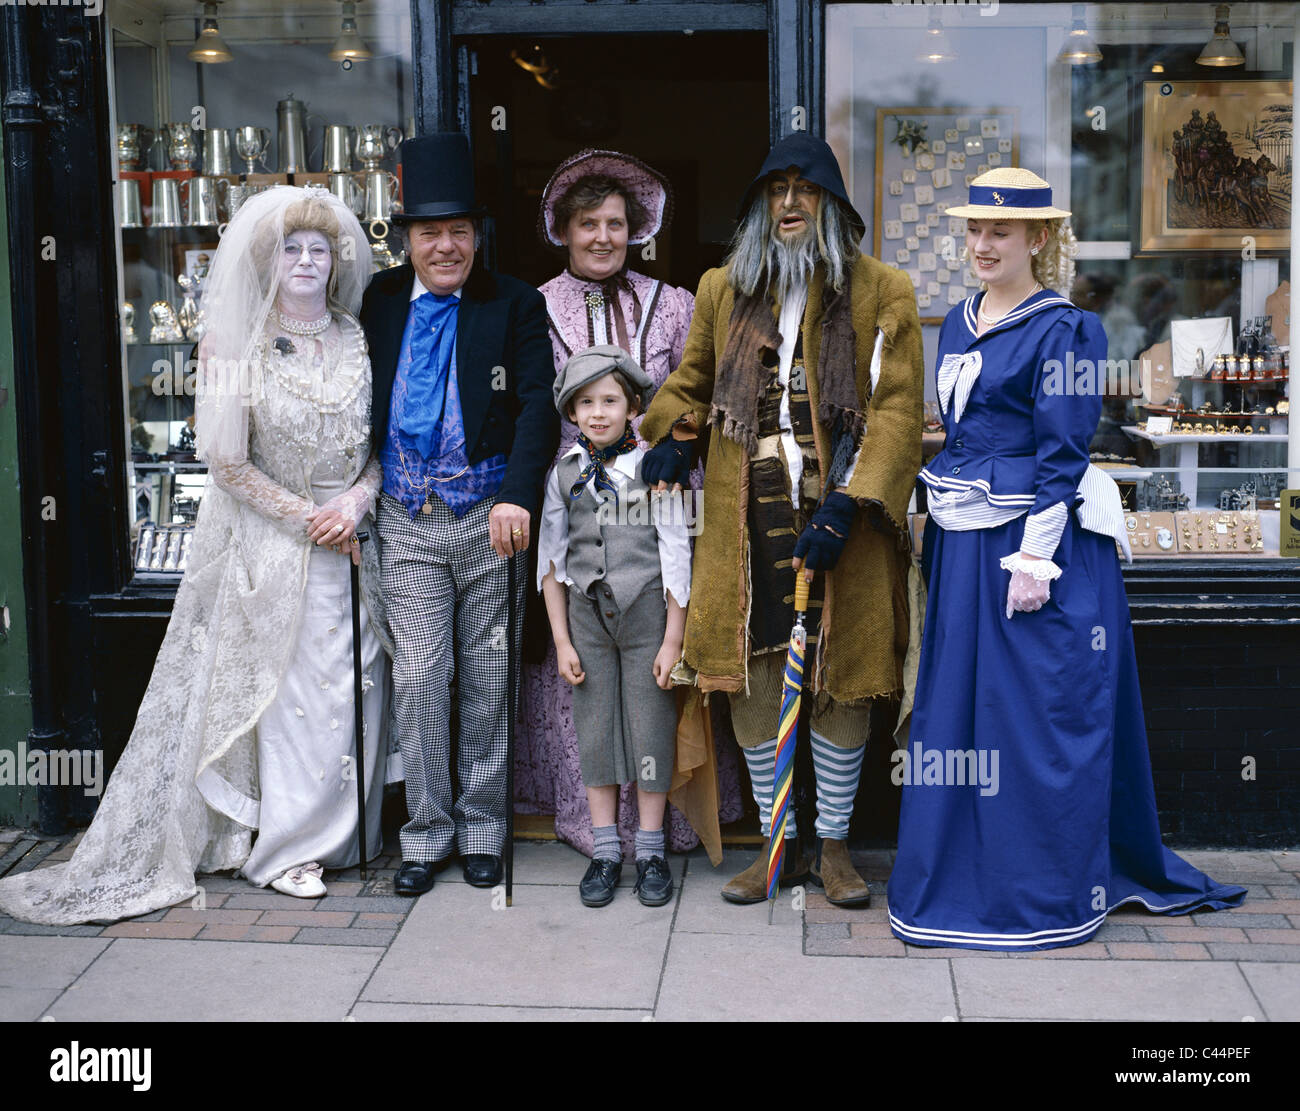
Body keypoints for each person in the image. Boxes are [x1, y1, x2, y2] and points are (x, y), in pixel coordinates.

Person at [0, 185, 391, 922]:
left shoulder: (355, 333)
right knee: (294, 699)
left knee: (355, 689)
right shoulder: (237, 343)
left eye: (319, 248)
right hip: (273, 546)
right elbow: (227, 462)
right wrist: (310, 516)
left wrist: (357, 501)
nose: (307, 260)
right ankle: (285, 846)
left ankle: (347, 835)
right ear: (265, 258)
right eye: (291, 248)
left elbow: (377, 448)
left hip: (353, 541)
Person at [888, 168, 1247, 950]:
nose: (983, 245)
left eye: (1002, 232)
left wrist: (1034, 559)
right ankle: (959, 874)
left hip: (1032, 547)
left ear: (1039, 239)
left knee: (1031, 718)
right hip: (963, 536)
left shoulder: (1067, 330)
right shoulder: (956, 319)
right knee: (959, 714)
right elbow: (962, 432)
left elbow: (1062, 454)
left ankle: (1038, 889)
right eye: (976, 230)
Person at [639, 134, 924, 907]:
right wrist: (673, 433)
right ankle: (775, 846)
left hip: (843, 527)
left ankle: (831, 848)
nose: (790, 204)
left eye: (805, 189)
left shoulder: (880, 289)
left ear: (831, 204)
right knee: (755, 683)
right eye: (776, 190)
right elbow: (692, 381)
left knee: (841, 683)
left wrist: (850, 503)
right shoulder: (725, 287)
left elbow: (898, 409)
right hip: (743, 523)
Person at [518, 148, 742, 858]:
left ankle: (666, 822)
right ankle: (596, 825)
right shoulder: (536, 305)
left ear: (634, 228)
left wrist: (674, 448)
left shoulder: (673, 303)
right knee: (583, 674)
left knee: (659, 663)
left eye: (615, 223)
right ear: (563, 228)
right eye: (589, 224)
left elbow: (696, 393)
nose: (604, 237)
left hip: (659, 501)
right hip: (575, 499)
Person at [360, 133, 558, 897]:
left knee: (487, 672)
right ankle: (425, 831)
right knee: (417, 673)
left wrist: (517, 493)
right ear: (406, 238)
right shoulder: (378, 301)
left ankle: (481, 826)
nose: (445, 246)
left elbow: (539, 404)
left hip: (487, 517)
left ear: (477, 235)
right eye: (429, 232)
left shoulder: (514, 302)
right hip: (407, 514)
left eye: (458, 231)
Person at [537, 345, 691, 907]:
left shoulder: (655, 469)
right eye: (585, 403)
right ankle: (606, 851)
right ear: (572, 413)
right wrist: (561, 640)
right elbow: (550, 561)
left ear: (632, 406)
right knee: (596, 729)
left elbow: (677, 553)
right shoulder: (563, 475)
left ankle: (650, 849)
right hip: (586, 618)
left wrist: (674, 636)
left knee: (650, 727)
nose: (598, 412)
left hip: (648, 612)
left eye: (610, 400)